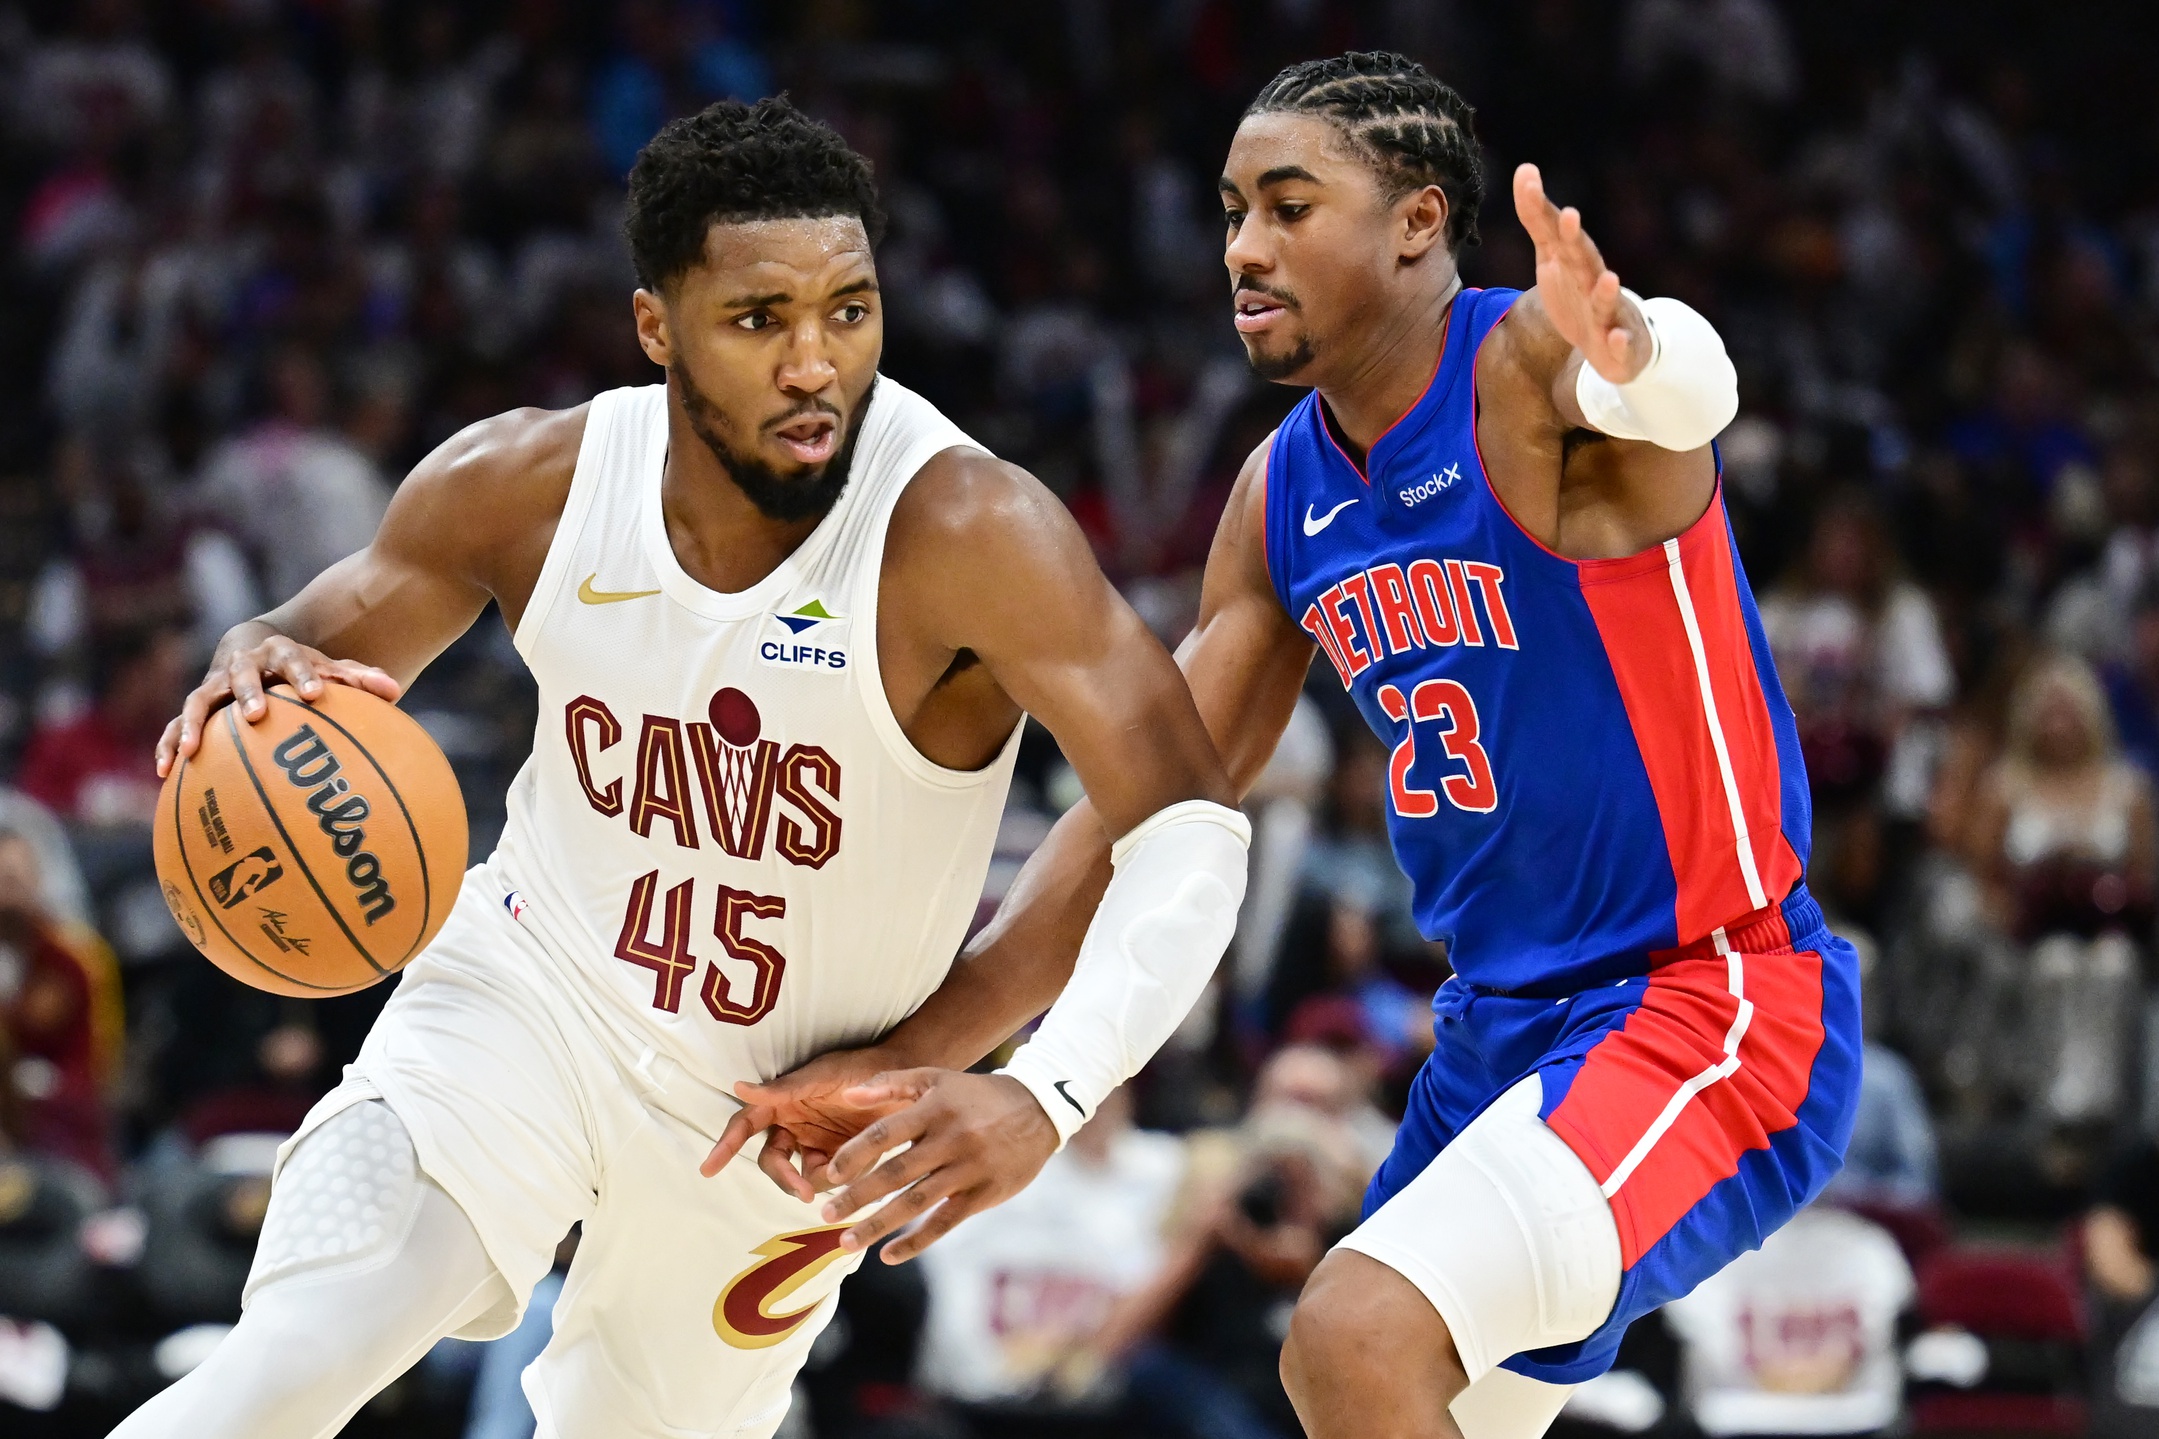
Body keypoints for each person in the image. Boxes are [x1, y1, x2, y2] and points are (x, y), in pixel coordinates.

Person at [736, 50, 1860, 1439]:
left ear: (1418, 223)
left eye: (1286, 206)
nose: (1243, 251)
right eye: (1229, 213)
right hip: (1499, 1040)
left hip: (1712, 1003)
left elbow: (1678, 394)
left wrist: (1644, 347)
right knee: (1352, 1378)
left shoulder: (1529, 367)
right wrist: (920, 1052)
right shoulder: (1284, 493)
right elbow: (1148, 811)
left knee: (1353, 1333)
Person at [112, 96, 1248, 1439]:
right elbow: (303, 643)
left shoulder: (967, 526)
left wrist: (1037, 1087)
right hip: (529, 1004)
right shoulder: (526, 483)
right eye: (761, 319)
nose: (817, 361)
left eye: (850, 309)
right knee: (285, 1373)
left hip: (779, 1126)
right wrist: (252, 657)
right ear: (658, 328)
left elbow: (1185, 831)